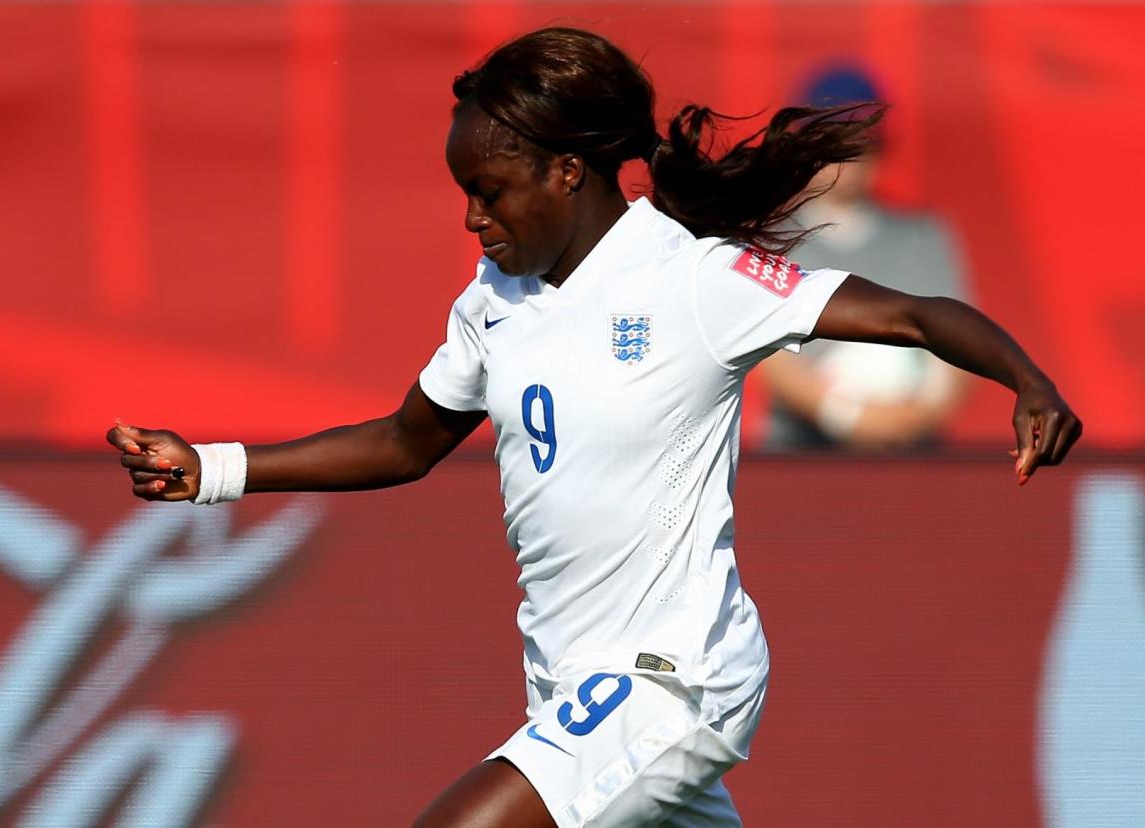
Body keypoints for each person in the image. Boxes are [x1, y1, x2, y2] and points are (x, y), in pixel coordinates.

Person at [106, 28, 1081, 828]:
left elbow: (913, 315)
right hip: (573, 690)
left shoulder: (694, 282)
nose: (471, 221)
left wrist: (1026, 380)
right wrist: (213, 469)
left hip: (673, 680)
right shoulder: (493, 300)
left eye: (488, 193)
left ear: (569, 173)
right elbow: (407, 441)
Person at [760, 66, 972, 449]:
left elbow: (957, 348)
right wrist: (845, 414)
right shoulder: (769, 237)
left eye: (862, 141)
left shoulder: (922, 238)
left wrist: (913, 417)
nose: (848, 159)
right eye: (834, 143)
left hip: (911, 458)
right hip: (802, 456)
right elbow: (765, 354)